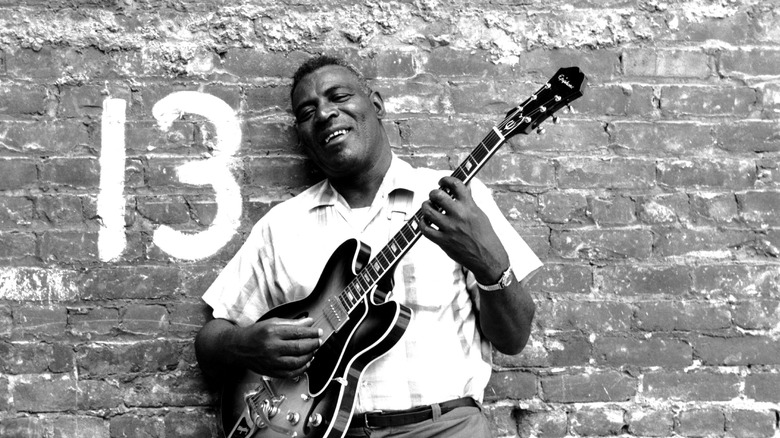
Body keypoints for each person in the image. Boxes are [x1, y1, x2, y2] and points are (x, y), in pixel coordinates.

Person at [195, 55, 542, 437]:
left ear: (375, 105)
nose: (325, 113)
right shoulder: (282, 225)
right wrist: (245, 343)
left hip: (446, 427)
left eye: (339, 97)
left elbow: (514, 339)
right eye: (307, 111)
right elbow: (210, 342)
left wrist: (489, 265)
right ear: (303, 134)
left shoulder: (456, 202)